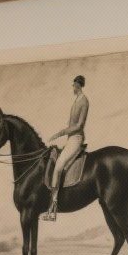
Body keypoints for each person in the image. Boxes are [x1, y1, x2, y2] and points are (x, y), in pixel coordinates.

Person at [43, 74, 89, 220]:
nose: (73, 87)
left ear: (78, 85)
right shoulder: (76, 100)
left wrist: (61, 132)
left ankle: (54, 207)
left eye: (74, 85)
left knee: (58, 166)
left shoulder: (84, 101)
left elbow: (79, 125)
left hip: (76, 138)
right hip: (70, 139)